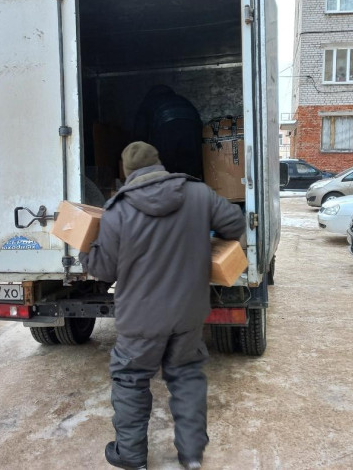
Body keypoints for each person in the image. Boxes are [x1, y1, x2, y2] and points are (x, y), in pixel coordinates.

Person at [82, 141, 244, 470]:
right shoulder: (199, 194)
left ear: (126, 173)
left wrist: (85, 251)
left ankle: (130, 456)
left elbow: (103, 269)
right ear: (159, 165)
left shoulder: (118, 209)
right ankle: (192, 454)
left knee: (130, 380)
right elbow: (236, 226)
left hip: (140, 319)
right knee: (186, 375)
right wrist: (203, 243)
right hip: (188, 312)